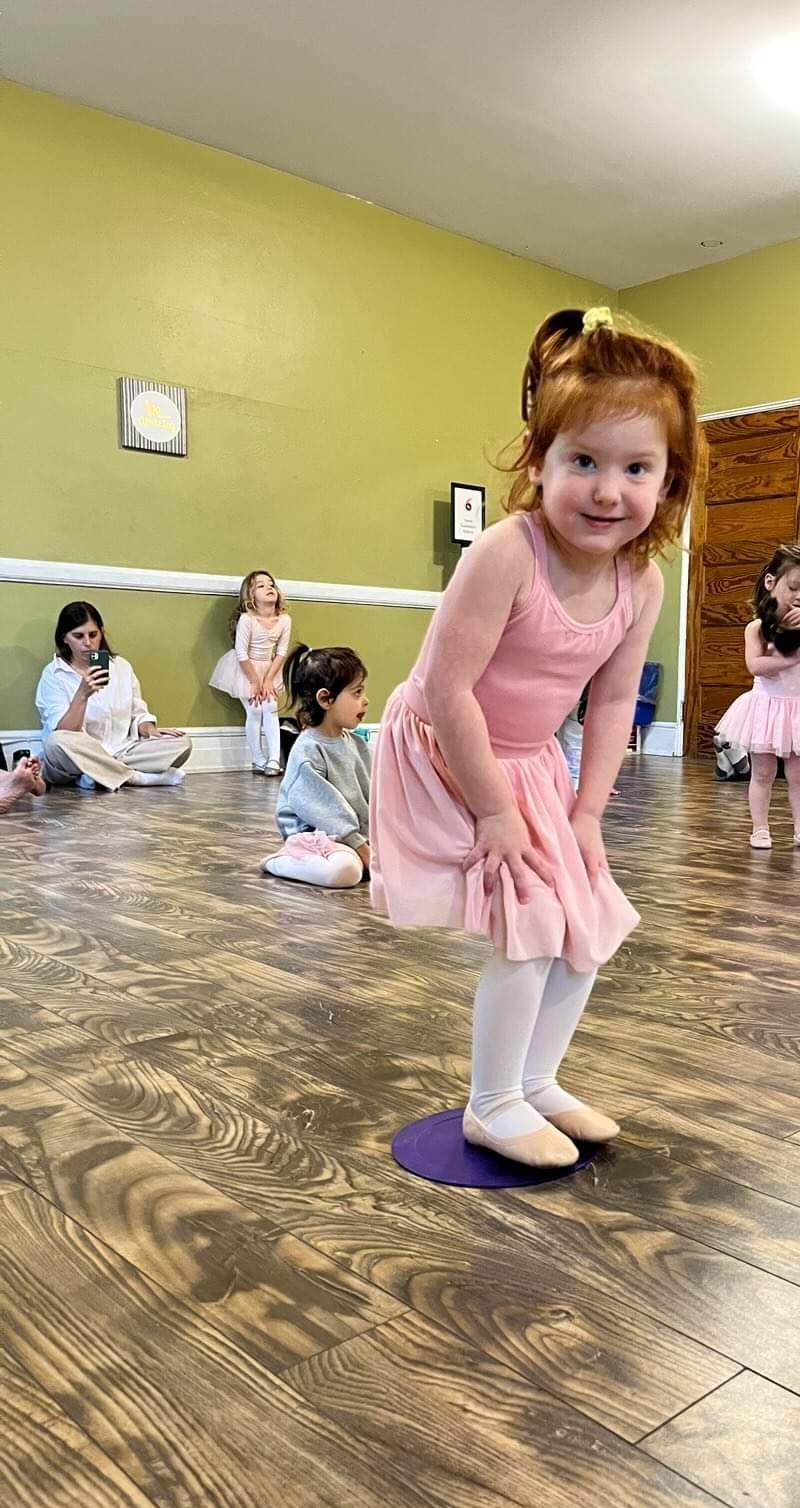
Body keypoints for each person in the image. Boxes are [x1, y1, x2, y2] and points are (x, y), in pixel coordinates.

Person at [369, 304, 702, 1168]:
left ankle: (536, 1079)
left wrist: (587, 814)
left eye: (636, 467)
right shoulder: (506, 553)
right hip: (449, 748)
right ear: (539, 461)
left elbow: (610, 703)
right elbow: (447, 690)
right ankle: (491, 1103)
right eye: (582, 461)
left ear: (669, 483)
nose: (606, 489)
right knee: (533, 922)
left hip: (530, 761)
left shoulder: (643, 583)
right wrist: (492, 812)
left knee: (586, 918)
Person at [715, 545, 800, 851]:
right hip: (766, 707)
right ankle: (760, 828)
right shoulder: (758, 628)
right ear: (770, 583)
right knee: (763, 772)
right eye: (793, 588)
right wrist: (794, 658)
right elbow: (756, 666)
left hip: (798, 708)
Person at [35, 602, 191, 791]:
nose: (88, 642)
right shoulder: (54, 674)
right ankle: (135, 778)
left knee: (182, 743)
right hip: (75, 756)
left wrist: (150, 730)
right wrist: (82, 695)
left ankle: (97, 775)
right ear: (64, 639)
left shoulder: (121, 666)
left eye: (93, 635)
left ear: (101, 633)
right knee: (57, 742)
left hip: (121, 750)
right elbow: (64, 731)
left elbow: (137, 713)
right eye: (78, 636)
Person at [264, 645, 372, 889]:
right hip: (315, 837)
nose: (365, 701)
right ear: (325, 699)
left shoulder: (356, 744)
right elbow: (326, 811)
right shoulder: (308, 751)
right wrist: (363, 850)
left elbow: (373, 798)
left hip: (351, 838)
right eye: (357, 693)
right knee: (346, 872)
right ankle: (281, 861)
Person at [210, 570, 292, 775]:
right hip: (245, 669)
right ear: (251, 596)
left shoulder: (284, 620)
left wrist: (268, 679)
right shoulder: (247, 619)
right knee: (255, 710)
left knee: (271, 707)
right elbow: (241, 652)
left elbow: (281, 652)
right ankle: (257, 758)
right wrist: (255, 681)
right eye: (261, 585)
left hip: (269, 668)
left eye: (271, 584)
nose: (269, 588)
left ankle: (274, 759)